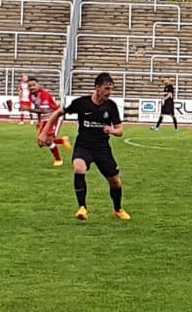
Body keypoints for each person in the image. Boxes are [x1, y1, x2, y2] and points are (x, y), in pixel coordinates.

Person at [41, 73, 128, 221]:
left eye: (111, 89)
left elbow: (120, 131)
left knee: (115, 182)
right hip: (84, 146)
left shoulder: (111, 106)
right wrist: (44, 133)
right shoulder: (81, 103)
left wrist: (112, 130)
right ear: (97, 87)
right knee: (79, 168)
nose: (109, 92)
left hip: (102, 148)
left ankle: (118, 209)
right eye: (107, 88)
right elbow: (58, 112)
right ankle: (82, 208)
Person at [28, 78, 69, 165]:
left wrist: (27, 109)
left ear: (38, 85)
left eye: (33, 85)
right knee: (40, 143)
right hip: (46, 119)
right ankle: (62, 141)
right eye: (29, 86)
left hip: (55, 117)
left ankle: (58, 160)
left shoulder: (44, 94)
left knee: (48, 141)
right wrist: (39, 121)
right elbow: (38, 109)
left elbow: (44, 110)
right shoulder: (31, 96)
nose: (31, 87)